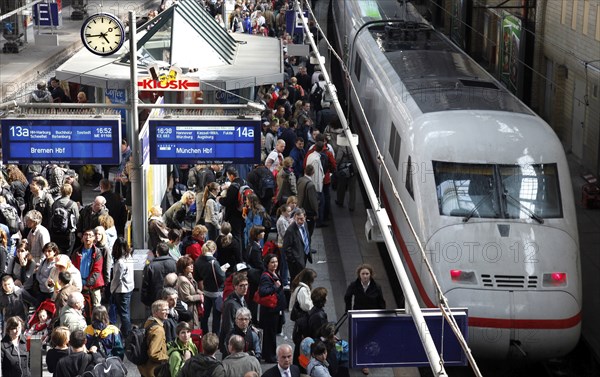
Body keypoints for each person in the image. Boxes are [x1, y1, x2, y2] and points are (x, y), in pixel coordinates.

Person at [257, 253, 286, 363]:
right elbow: (263, 291)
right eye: (272, 262)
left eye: (276, 262)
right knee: (270, 334)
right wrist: (275, 287)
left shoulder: (273, 273)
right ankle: (270, 356)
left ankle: (267, 354)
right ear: (267, 264)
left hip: (274, 309)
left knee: (271, 333)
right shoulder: (265, 276)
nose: (275, 264)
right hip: (270, 310)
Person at [193, 241, 225, 335]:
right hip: (216, 292)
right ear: (212, 249)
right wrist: (222, 271)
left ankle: (204, 334)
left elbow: (197, 277)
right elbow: (221, 278)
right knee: (216, 316)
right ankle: (215, 336)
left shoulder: (198, 261)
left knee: (205, 316)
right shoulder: (214, 262)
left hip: (206, 291)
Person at [289, 268, 317, 366]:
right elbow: (307, 306)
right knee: (301, 344)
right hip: (302, 320)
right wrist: (313, 302)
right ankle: (300, 365)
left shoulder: (300, 287)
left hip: (299, 319)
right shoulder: (303, 290)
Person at [71, 229, 104, 308]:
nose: (87, 237)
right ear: (82, 238)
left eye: (90, 235)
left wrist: (87, 284)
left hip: (93, 285)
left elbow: (97, 270)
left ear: (94, 238)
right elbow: (72, 268)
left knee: (96, 307)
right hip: (79, 284)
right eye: (85, 235)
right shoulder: (77, 252)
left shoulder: (97, 252)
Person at [219, 273, 248, 356]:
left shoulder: (242, 298)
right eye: (241, 285)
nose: (245, 288)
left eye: (246, 285)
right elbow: (229, 326)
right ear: (235, 287)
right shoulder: (231, 304)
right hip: (233, 344)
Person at [138, 300, 169, 377]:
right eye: (164, 310)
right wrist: (167, 357)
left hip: (144, 368)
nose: (167, 312)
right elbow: (153, 353)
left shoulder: (148, 321)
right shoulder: (158, 330)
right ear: (155, 312)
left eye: (167, 309)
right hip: (153, 370)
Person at [141, 242, 177, 307]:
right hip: (172, 297)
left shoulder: (150, 266)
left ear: (157, 253)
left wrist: (146, 301)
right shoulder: (174, 263)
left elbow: (145, 285)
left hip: (155, 299)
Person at [219, 167, 245, 251]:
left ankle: (238, 255)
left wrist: (220, 199)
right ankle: (243, 253)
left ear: (231, 176)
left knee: (236, 236)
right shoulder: (244, 182)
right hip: (243, 212)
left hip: (234, 214)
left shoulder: (233, 186)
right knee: (242, 235)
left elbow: (227, 201)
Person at [282, 208, 311, 283]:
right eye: (297, 219)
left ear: (305, 217)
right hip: (295, 260)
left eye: (301, 219)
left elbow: (307, 237)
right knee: (296, 279)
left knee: (302, 277)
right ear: (294, 217)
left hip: (304, 254)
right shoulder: (290, 230)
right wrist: (293, 260)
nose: (299, 221)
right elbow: (286, 247)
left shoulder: (305, 224)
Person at [50, 183, 79, 256]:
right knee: (67, 253)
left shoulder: (55, 203)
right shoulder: (73, 204)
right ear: (71, 192)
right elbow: (77, 218)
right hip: (68, 233)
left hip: (55, 232)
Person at [176, 256, 204, 329]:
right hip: (189, 309)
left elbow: (193, 288)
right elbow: (186, 298)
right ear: (183, 268)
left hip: (194, 308)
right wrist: (199, 297)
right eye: (189, 265)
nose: (192, 266)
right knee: (190, 328)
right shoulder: (183, 280)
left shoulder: (189, 275)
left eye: (192, 264)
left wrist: (200, 292)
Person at [296, 164, 319, 237]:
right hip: (308, 211)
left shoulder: (300, 180)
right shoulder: (310, 185)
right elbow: (313, 201)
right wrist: (316, 212)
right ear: (313, 172)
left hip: (300, 207)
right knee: (309, 232)